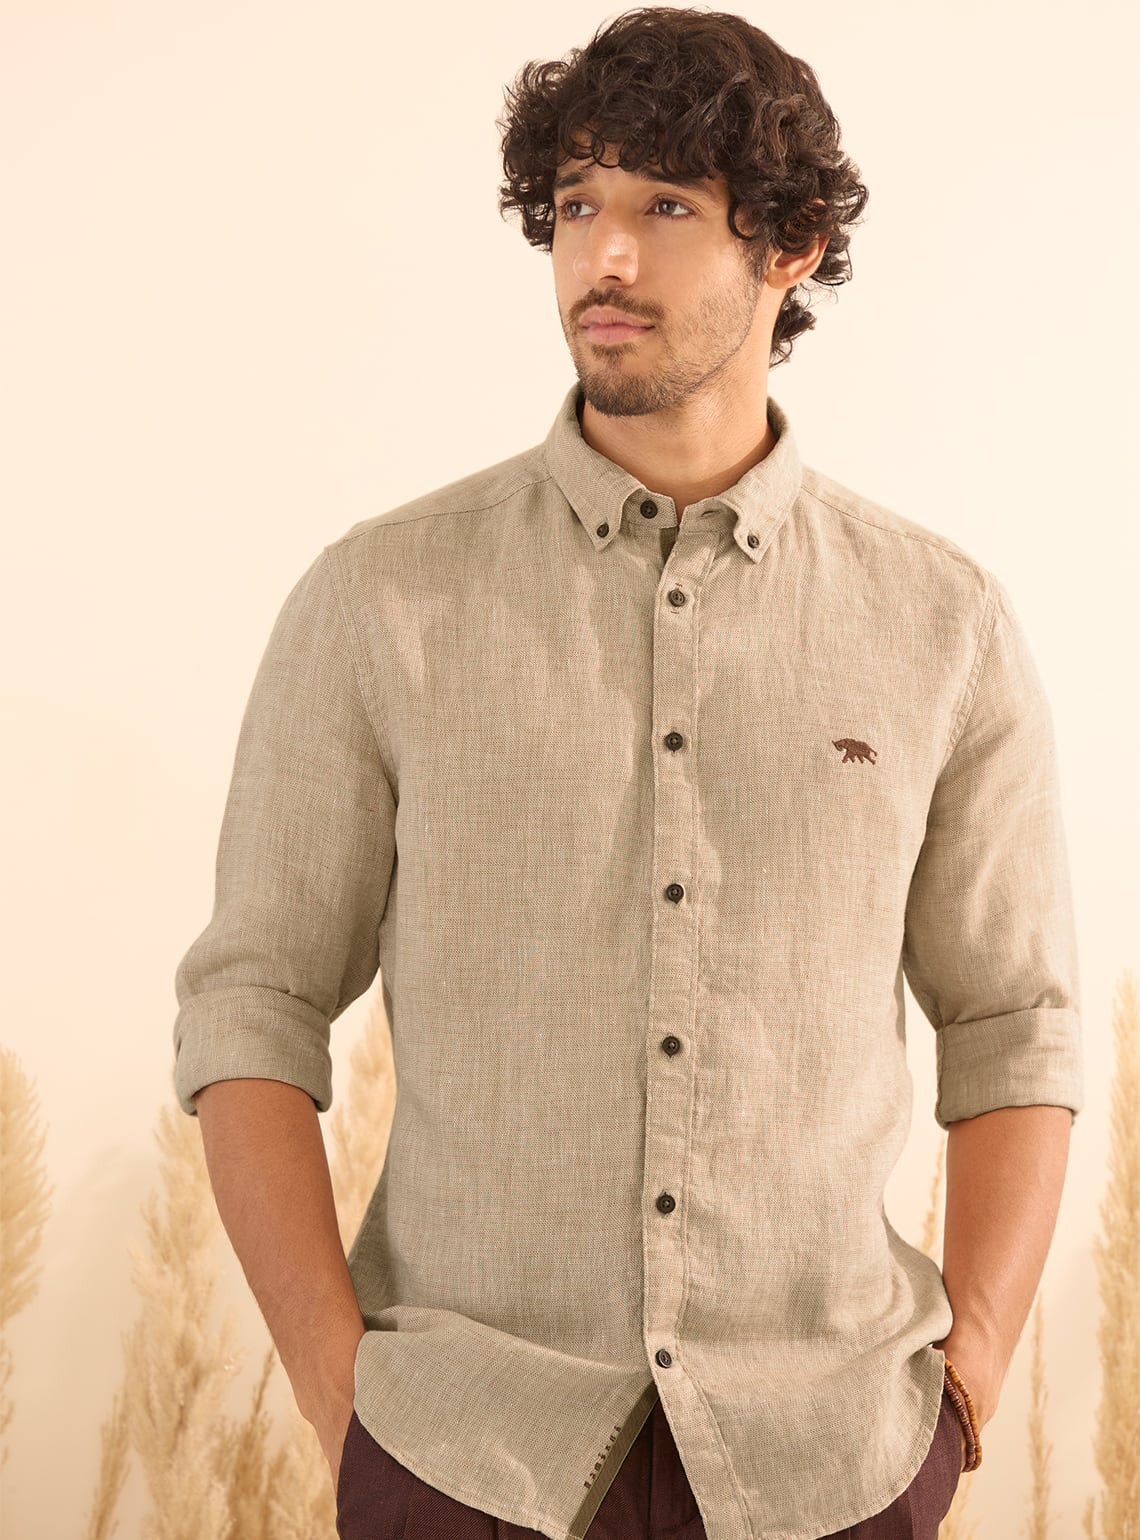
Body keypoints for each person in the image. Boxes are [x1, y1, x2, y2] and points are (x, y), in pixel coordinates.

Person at [172, 8, 1083, 1538]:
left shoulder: (944, 626)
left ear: (790, 246)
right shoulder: (380, 603)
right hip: (464, 1454)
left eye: (666, 206)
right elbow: (249, 1006)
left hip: (833, 1460)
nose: (603, 255)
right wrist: (344, 1404)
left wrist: (969, 1384)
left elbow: (1014, 1029)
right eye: (578, 202)